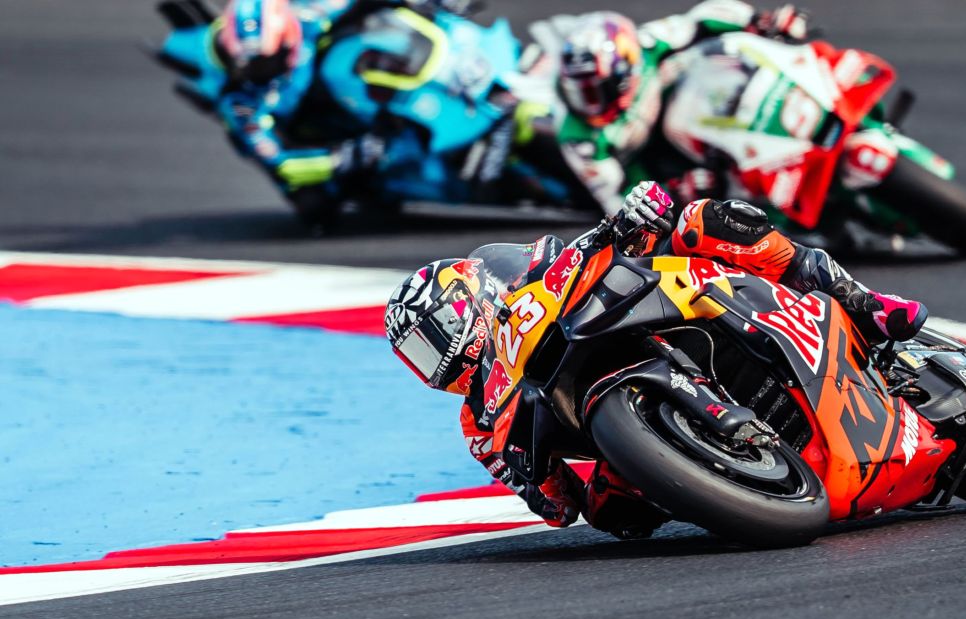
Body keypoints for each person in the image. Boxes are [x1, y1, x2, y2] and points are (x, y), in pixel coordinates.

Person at [385, 182, 926, 535]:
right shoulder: (479, 424)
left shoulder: (530, 273)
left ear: (467, 301)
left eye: (433, 336)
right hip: (605, 408)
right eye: (418, 355)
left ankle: (864, 302)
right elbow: (557, 504)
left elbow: (598, 244)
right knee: (613, 514)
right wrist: (540, 488)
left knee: (700, 221)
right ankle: (731, 478)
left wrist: (634, 214)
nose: (433, 358)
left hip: (650, 306)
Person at [524, 0, 809, 214]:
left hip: (693, 96)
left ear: (626, 67)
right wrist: (672, 192)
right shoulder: (579, 138)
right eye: (580, 93)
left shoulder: (646, 43)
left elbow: (701, 18)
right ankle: (769, 209)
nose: (590, 105)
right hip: (652, 162)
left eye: (598, 90)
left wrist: (759, 21)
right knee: (706, 196)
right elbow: (617, 201)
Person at [211, 0, 480, 225]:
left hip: (345, 97)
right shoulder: (240, 102)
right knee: (314, 204)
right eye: (252, 64)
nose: (261, 69)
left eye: (267, 60)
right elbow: (282, 162)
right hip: (319, 144)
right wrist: (349, 155)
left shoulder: (311, 14)